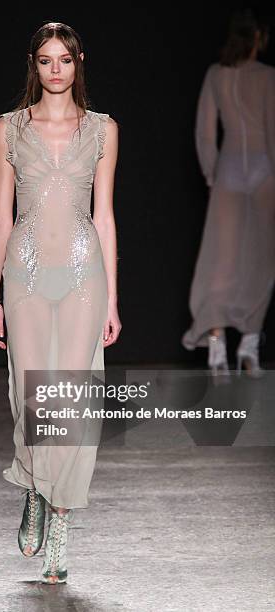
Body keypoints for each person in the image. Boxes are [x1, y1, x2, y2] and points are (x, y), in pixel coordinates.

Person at [0, 22, 121, 584]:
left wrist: (114, 299)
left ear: (79, 60)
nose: (56, 69)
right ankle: (35, 487)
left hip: (86, 275)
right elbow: (0, 217)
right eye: (45, 60)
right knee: (29, 395)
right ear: (33, 65)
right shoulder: (9, 129)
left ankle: (60, 523)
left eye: (64, 59)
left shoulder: (104, 129)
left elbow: (105, 216)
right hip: (26, 275)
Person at [182, 9, 275, 377]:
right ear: (258, 37)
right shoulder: (268, 77)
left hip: (229, 170)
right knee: (260, 259)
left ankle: (218, 345)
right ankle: (249, 343)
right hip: (265, 170)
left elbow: (205, 133)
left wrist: (211, 173)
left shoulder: (216, 75)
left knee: (220, 258)